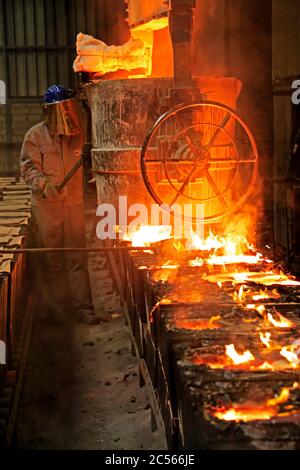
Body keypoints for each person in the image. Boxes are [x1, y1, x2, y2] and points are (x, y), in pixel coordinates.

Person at [20, 84, 111, 325]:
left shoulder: (79, 135)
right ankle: (59, 313)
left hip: (73, 204)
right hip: (47, 207)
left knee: (77, 258)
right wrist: (43, 184)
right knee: (53, 260)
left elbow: (88, 164)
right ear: (50, 112)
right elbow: (28, 168)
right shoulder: (34, 136)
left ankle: (83, 308)